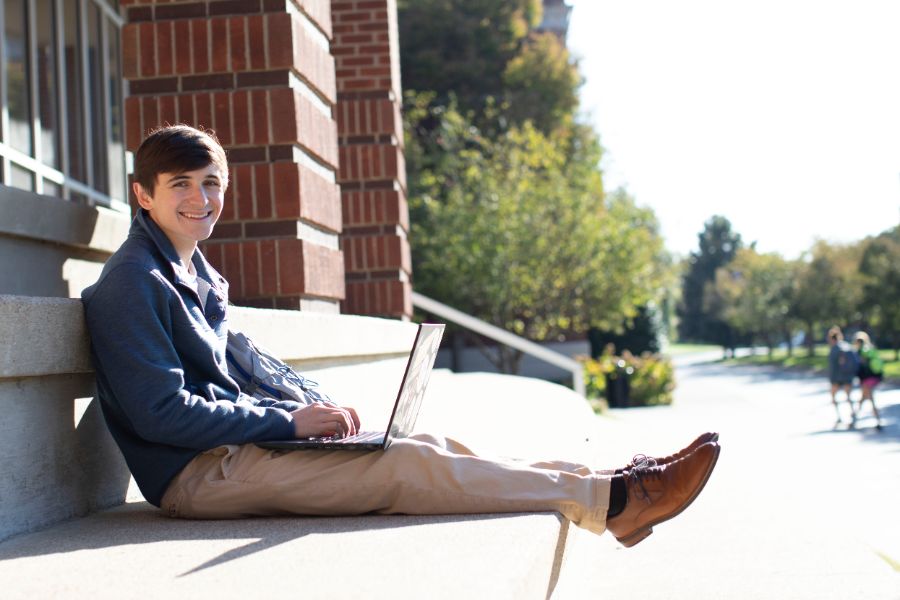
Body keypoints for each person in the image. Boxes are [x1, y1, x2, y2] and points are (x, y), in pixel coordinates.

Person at [81, 125, 720, 548]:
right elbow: (162, 413)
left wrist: (311, 408)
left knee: (425, 443)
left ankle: (607, 479)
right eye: (181, 186)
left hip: (233, 454)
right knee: (406, 467)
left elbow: (241, 366)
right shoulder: (131, 283)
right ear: (143, 194)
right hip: (195, 478)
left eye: (211, 183)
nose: (200, 198)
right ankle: (618, 502)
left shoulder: (193, 270)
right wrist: (290, 426)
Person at [826, 326, 858, 426]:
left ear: (831, 338)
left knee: (834, 397)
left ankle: (839, 416)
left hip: (837, 378)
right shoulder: (847, 346)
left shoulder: (835, 349)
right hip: (847, 377)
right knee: (849, 397)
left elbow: (835, 365)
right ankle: (853, 416)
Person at [852, 331, 884, 430]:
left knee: (870, 398)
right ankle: (854, 418)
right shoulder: (871, 349)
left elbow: (858, 367)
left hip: (867, 379)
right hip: (875, 377)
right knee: (864, 397)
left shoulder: (860, 352)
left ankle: (877, 420)